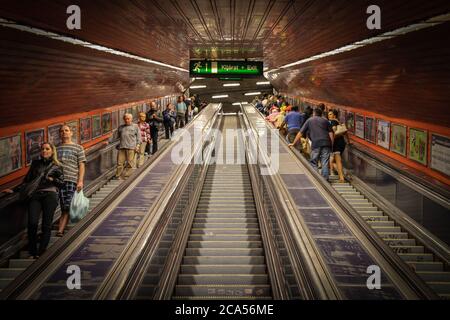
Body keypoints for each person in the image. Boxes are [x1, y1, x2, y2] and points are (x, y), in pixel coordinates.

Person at [289, 108, 334, 180]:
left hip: (316, 143)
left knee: (314, 162)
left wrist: (293, 143)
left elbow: (301, 132)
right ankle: (325, 180)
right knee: (324, 162)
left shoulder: (309, 120)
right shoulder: (325, 121)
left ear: (313, 113)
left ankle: (316, 178)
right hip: (326, 143)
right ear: (321, 114)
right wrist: (331, 144)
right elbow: (331, 134)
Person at [57, 125, 86, 237]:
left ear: (71, 133)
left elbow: (82, 165)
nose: (64, 133)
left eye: (66, 130)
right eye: (62, 131)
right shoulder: (56, 148)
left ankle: (60, 230)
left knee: (67, 205)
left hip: (71, 180)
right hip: (58, 181)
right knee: (63, 205)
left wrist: (80, 181)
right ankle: (61, 228)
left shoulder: (78, 148)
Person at [116, 114, 141, 179]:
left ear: (131, 119)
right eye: (125, 119)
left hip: (131, 148)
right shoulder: (121, 127)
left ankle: (126, 175)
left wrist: (137, 146)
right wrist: (108, 142)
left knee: (130, 163)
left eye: (128, 119)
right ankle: (118, 175)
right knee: (119, 163)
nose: (126, 120)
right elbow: (115, 136)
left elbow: (139, 138)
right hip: (122, 147)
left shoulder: (135, 127)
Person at [328, 109, 348, 183]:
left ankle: (342, 177)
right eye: (328, 114)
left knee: (337, 160)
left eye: (330, 114)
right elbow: (346, 132)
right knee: (332, 161)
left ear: (334, 115)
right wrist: (348, 142)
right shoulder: (340, 122)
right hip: (342, 142)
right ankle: (343, 174)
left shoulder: (333, 122)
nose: (328, 115)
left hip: (336, 143)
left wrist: (331, 139)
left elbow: (334, 131)